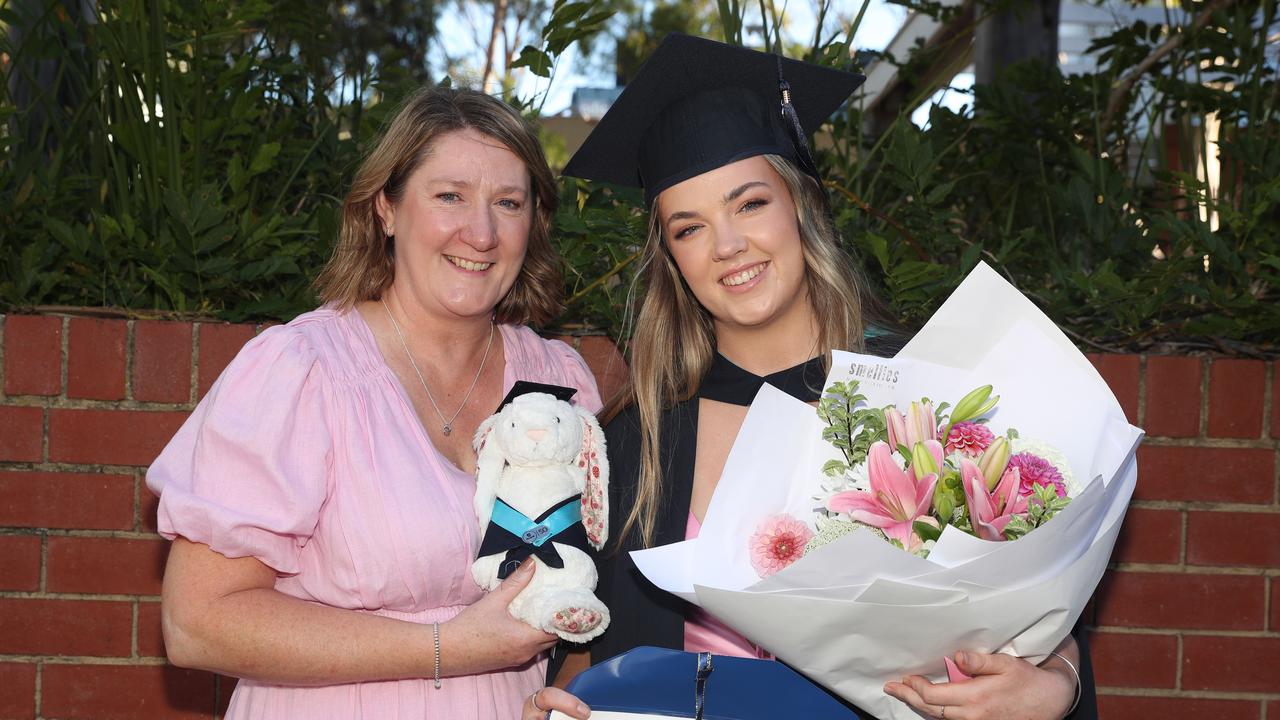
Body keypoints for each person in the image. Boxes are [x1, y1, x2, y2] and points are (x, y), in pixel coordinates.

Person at [551, 33, 1098, 720]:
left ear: (802, 205)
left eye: (750, 204)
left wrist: (1057, 684)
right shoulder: (638, 441)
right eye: (689, 228)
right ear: (671, 259)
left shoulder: (922, 397)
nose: (727, 246)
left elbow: (1034, 608)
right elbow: (590, 640)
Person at [147, 86, 594, 720]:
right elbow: (198, 623)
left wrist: (572, 692)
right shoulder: (303, 372)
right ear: (386, 208)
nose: (482, 231)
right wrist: (447, 647)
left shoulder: (560, 381)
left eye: (508, 203)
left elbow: (591, 588)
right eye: (449, 196)